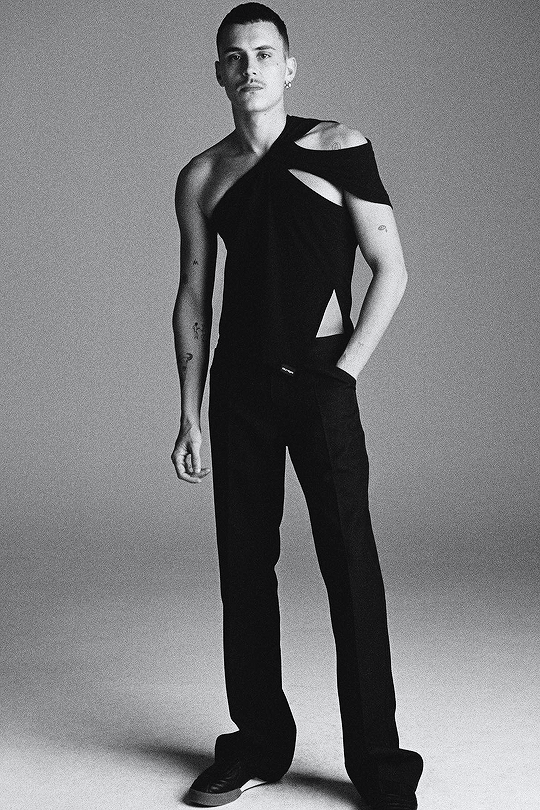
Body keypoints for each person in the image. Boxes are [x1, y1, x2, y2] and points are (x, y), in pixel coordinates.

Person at [171, 4, 423, 808]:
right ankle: (257, 745)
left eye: (263, 53)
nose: (248, 67)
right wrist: (190, 412)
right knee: (244, 571)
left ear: (288, 67)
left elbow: (391, 268)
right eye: (234, 56)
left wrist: (344, 372)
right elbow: (194, 296)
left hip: (320, 380)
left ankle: (380, 766)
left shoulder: (339, 146)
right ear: (219, 72)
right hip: (240, 390)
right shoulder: (203, 177)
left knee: (351, 567)